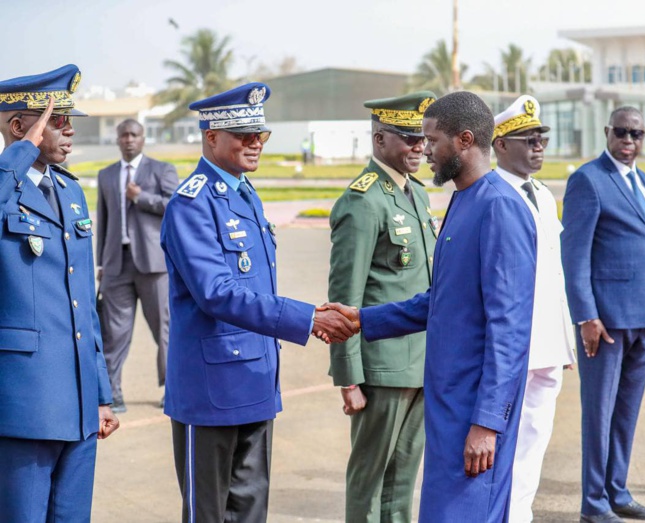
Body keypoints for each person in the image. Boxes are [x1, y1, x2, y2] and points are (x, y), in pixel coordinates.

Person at [329, 91, 537, 522]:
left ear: (464, 140)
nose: (424, 151)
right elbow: (440, 301)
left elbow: (509, 329)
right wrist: (361, 320)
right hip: (448, 404)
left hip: (473, 412)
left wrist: (488, 422)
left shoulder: (500, 208)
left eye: (432, 140)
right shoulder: (463, 199)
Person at [160, 82, 358, 523]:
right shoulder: (191, 203)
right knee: (209, 514)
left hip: (255, 379)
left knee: (251, 512)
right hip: (211, 390)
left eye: (261, 135)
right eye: (243, 135)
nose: (255, 144)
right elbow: (218, 293)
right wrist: (307, 318)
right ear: (211, 137)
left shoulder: (244, 192)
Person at [0, 64, 119, 521]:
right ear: (19, 127)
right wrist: (20, 153)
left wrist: (102, 394)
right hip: (25, 406)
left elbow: (83, 305)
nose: (69, 131)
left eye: (71, 121)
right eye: (58, 120)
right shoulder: (6, 185)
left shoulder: (70, 191)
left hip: (78, 404)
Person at [328, 91, 438, 523]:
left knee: (403, 479)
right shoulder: (362, 201)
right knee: (369, 480)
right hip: (382, 367)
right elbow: (343, 300)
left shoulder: (419, 196)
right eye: (408, 139)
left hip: (421, 361)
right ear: (379, 141)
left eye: (422, 140)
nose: (419, 148)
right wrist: (348, 377)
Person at [561, 106, 645, 523]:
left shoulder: (644, 181)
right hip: (605, 324)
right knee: (599, 413)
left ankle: (618, 492)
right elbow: (575, 256)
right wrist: (586, 316)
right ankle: (594, 503)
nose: (628, 140)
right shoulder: (588, 180)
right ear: (607, 132)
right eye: (621, 132)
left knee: (626, 413)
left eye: (636, 134)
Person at [492, 95, 576, 522]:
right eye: (527, 139)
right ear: (501, 146)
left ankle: (519, 513)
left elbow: (554, 272)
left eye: (541, 138)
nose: (538, 146)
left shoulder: (542, 194)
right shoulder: (492, 195)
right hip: (514, 344)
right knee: (506, 438)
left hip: (545, 342)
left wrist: (564, 341)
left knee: (536, 437)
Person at [96, 119, 178, 413]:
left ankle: (174, 389)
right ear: (117, 140)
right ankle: (111, 393)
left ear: (143, 139)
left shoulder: (162, 170)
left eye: (134, 135)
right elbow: (102, 221)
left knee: (165, 331)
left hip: (155, 265)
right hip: (117, 264)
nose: (129, 140)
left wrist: (140, 198)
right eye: (124, 135)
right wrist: (100, 264)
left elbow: (176, 206)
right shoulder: (106, 175)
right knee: (113, 333)